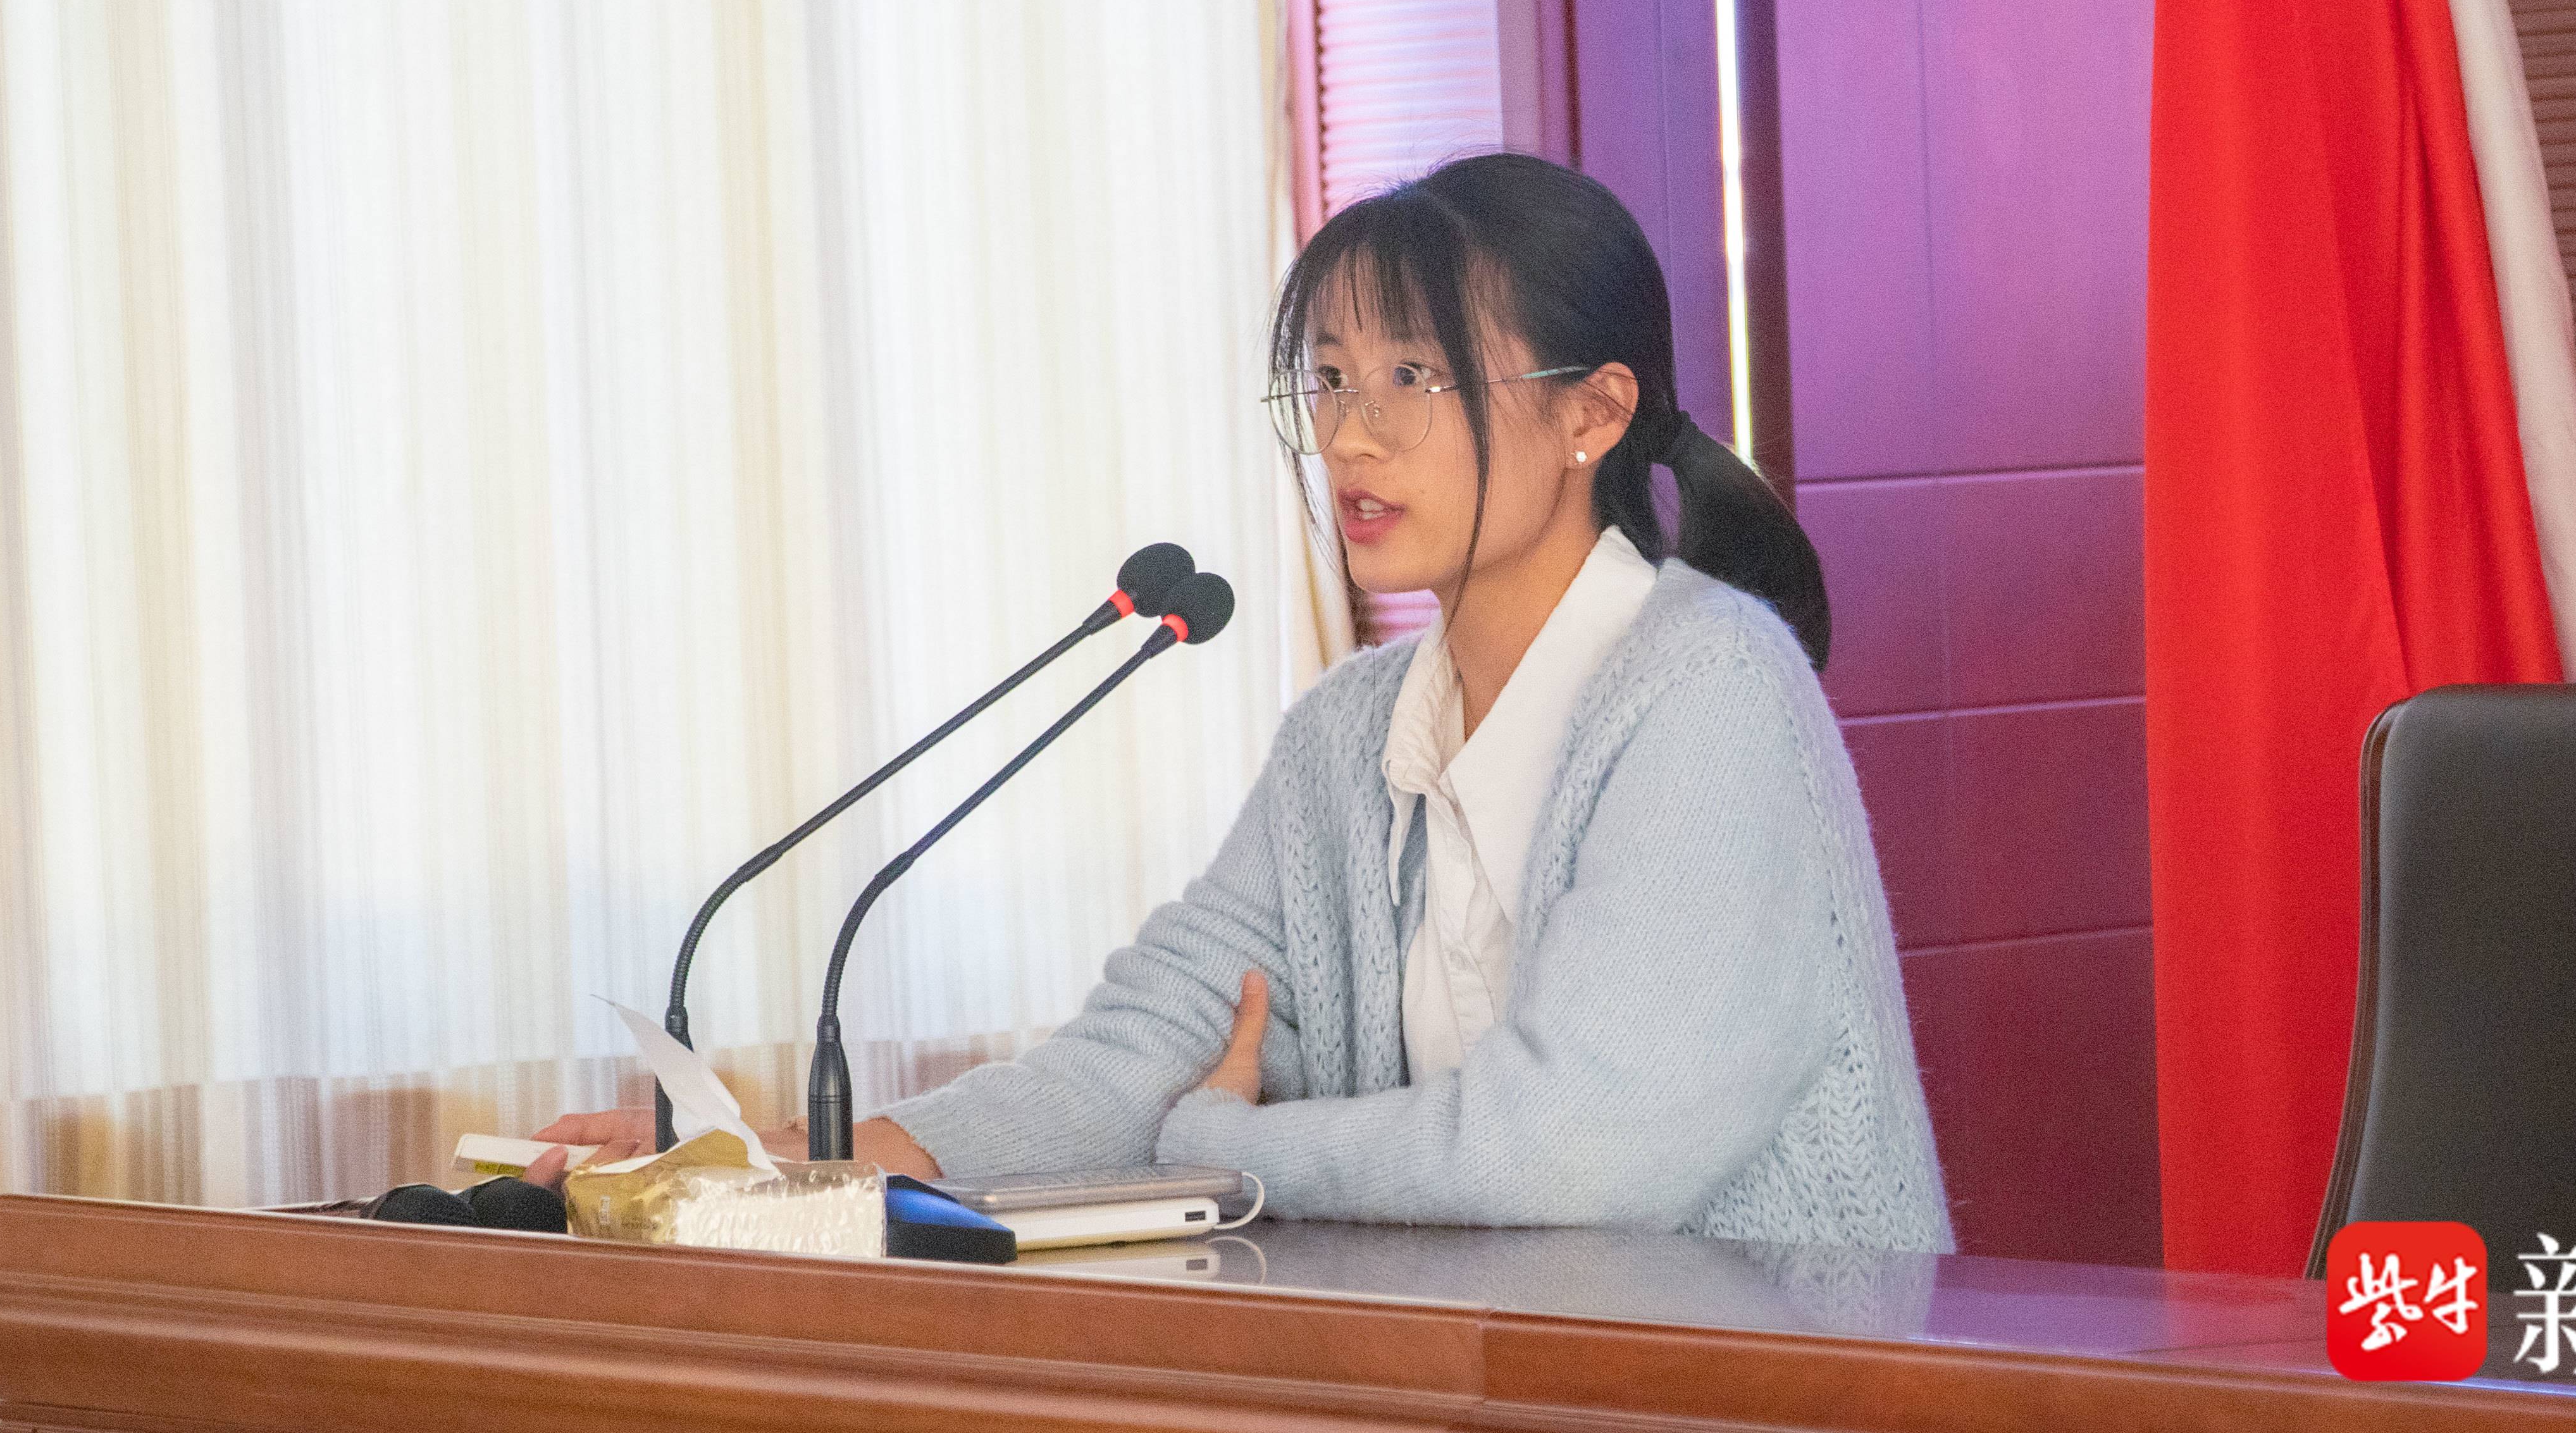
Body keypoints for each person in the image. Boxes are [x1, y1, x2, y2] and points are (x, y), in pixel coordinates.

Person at [537, 153, 1950, 1251]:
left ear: (1591, 413)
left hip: (1771, 1385)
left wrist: (1233, 1146)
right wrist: (779, 1165)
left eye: (1412, 377)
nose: (1350, 435)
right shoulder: (1349, 737)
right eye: (1327, 380)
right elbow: (1143, 1052)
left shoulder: (1711, 692)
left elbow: (1580, 1149)